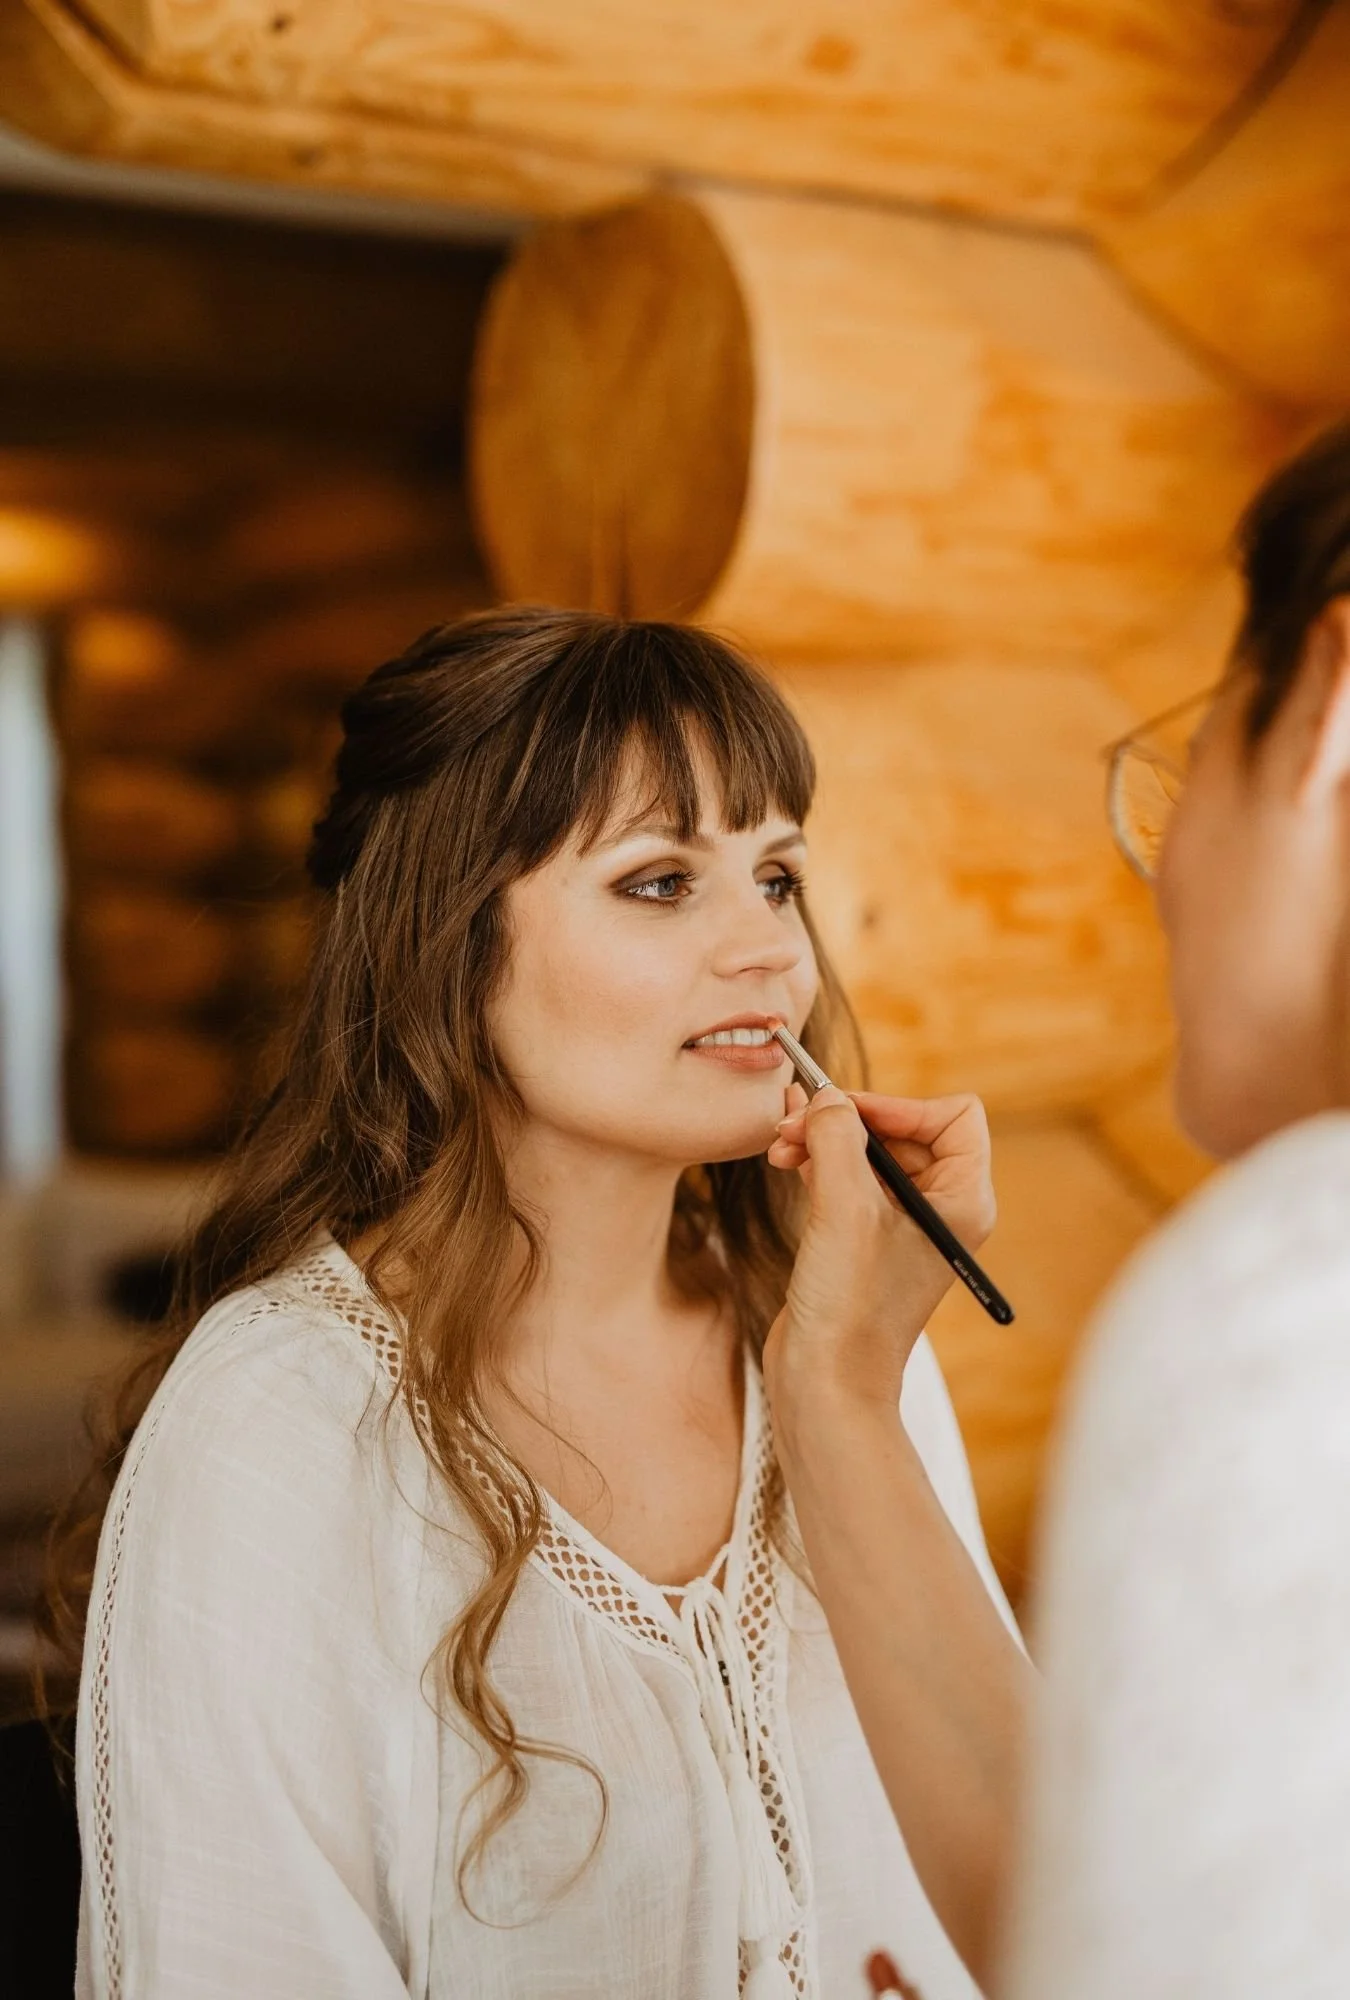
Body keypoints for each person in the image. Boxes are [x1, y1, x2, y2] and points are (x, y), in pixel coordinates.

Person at [46, 609, 1029, 2000]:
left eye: (777, 873)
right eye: (658, 883)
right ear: (448, 942)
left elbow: (1044, 1898)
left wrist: (846, 1381)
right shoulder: (278, 1427)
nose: (768, 952)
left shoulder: (846, 1341)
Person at [763, 420, 1350, 2000]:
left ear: (1324, 719)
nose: (1156, 873)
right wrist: (836, 1388)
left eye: (1183, 767)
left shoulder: (1295, 1303)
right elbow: (1118, 1892)